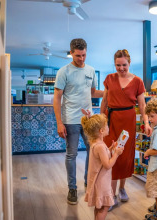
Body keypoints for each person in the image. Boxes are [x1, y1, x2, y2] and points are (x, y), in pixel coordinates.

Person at [100, 49, 152, 210]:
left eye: (124, 65)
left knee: (124, 155)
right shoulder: (109, 78)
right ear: (114, 64)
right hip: (111, 119)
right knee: (111, 154)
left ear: (129, 63)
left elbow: (142, 105)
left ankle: (122, 188)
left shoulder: (137, 81)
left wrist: (146, 122)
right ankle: (111, 195)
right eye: (118, 65)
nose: (121, 68)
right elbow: (104, 102)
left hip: (128, 119)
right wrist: (102, 122)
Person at [53, 38, 103, 205]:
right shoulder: (63, 72)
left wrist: (112, 91)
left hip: (88, 120)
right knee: (71, 154)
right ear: (71, 53)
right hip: (71, 120)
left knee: (93, 151)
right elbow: (57, 98)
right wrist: (59, 123)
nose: (81, 59)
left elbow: (93, 93)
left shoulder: (91, 70)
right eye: (77, 56)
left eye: (83, 55)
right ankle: (72, 188)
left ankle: (89, 182)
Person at [81, 113, 124, 220]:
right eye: (107, 126)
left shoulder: (96, 143)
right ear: (101, 130)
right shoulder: (100, 146)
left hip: (97, 181)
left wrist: (110, 148)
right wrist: (116, 154)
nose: (108, 127)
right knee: (105, 206)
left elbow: (102, 157)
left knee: (98, 206)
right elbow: (107, 164)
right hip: (101, 182)